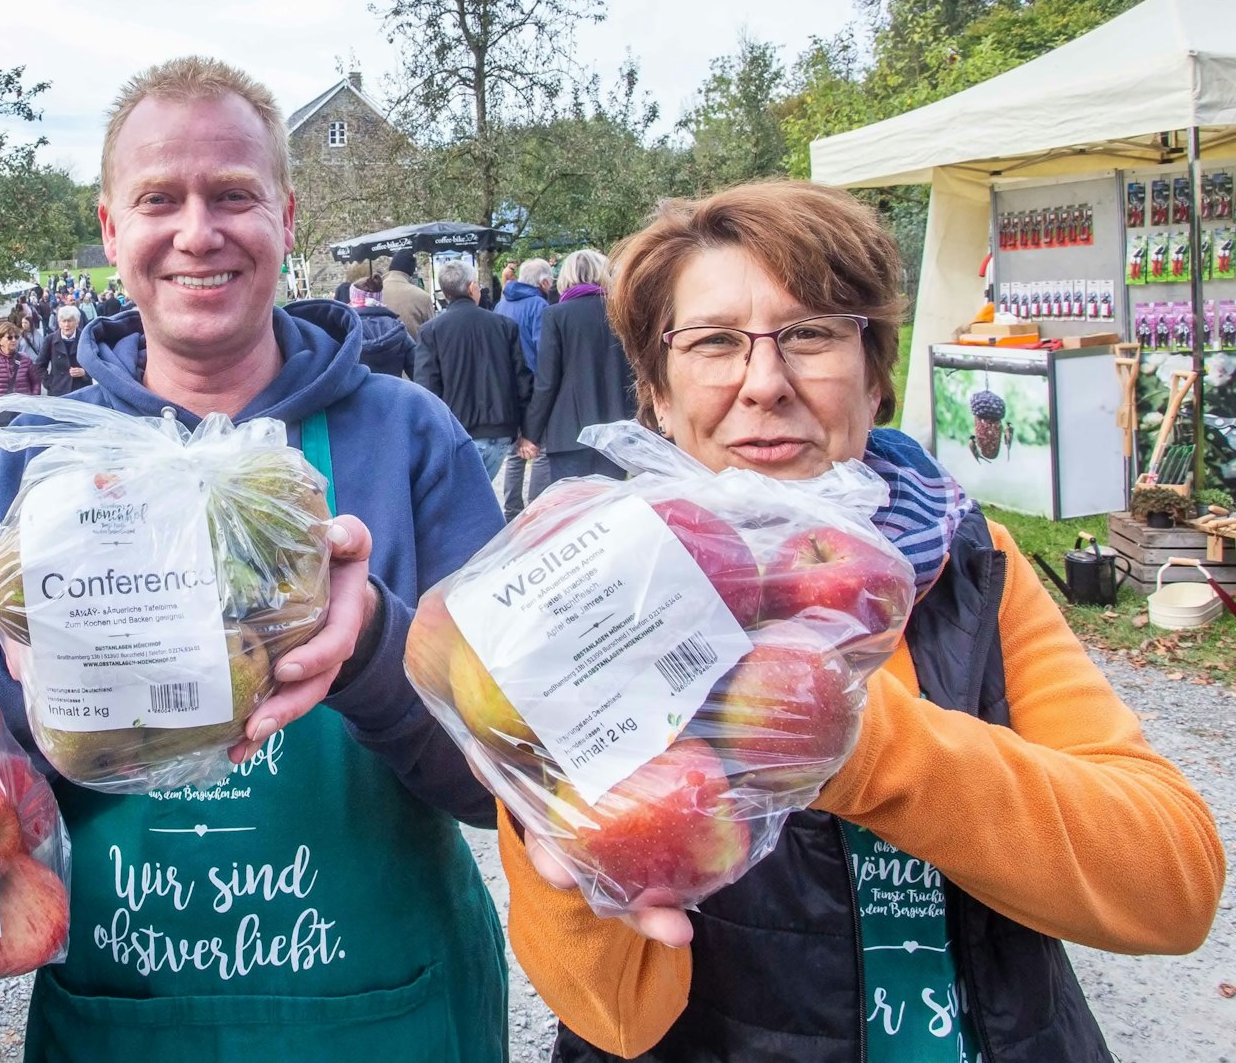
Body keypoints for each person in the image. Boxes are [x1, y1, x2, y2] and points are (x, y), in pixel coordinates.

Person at [501, 181, 1225, 1063]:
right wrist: (579, 881)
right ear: (654, 391)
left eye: (810, 333)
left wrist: (860, 740)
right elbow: (616, 1015)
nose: (764, 382)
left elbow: (1173, 885)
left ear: (877, 375)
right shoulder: (595, 606)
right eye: (716, 342)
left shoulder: (970, 563)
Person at [0, 55, 509, 1062]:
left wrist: (366, 646)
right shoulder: (42, 461)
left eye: (232, 194)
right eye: (160, 198)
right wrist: (23, 691)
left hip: (388, 1016)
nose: (198, 232)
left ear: (285, 216)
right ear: (111, 229)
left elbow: (510, 783)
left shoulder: (403, 435)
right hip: (124, 1021)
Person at [524, 249, 636, 484]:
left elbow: (546, 382)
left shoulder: (555, 315)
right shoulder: (622, 313)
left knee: (573, 511)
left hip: (568, 433)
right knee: (608, 506)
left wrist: (530, 434)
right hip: (615, 432)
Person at [414, 260, 533, 481]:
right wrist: (528, 431)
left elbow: (427, 387)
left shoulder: (431, 331)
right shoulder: (504, 326)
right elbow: (523, 382)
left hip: (456, 431)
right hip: (499, 429)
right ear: (471, 287)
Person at [490, 257, 554, 517]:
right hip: (535, 386)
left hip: (508, 387)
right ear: (544, 281)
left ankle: (512, 511)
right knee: (541, 450)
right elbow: (544, 349)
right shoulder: (539, 305)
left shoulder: (501, 304)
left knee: (516, 452)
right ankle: (538, 511)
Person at [344, 272, 414, 379]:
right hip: (394, 392)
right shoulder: (397, 327)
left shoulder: (344, 328)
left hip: (357, 394)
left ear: (353, 297)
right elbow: (417, 371)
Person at [0, 319, 40, 400]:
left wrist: (33, 400)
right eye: (9, 337)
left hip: (24, 408)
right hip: (1, 409)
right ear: (0, 340)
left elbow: (36, 382)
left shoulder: (25, 359)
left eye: (16, 337)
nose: (14, 340)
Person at [379, 250, 435, 338]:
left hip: (379, 349)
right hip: (414, 349)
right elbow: (432, 332)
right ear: (412, 272)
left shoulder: (373, 292)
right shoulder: (422, 297)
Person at [38, 306, 90, 395]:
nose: (66, 325)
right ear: (59, 323)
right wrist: (50, 383)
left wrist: (85, 372)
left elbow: (96, 364)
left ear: (77, 322)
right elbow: (39, 366)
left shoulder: (86, 339)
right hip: (58, 392)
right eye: (63, 321)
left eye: (70, 321)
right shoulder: (50, 340)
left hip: (82, 391)